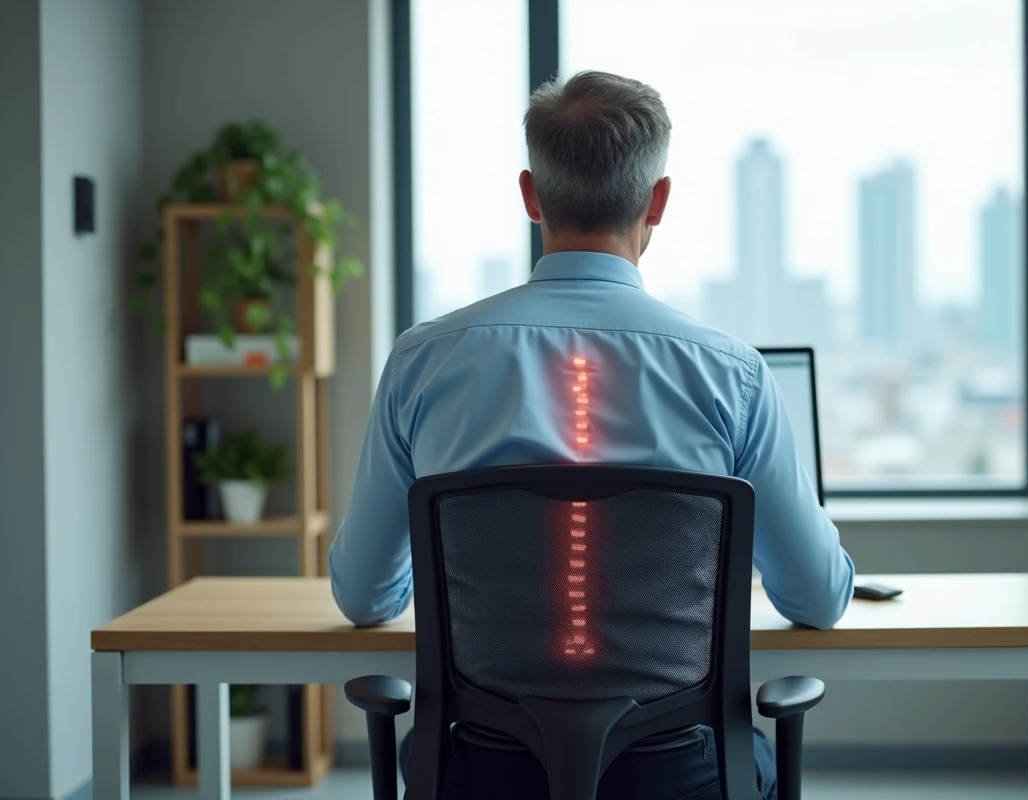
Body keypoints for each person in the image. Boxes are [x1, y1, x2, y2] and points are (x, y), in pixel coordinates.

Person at [329, 70, 855, 800]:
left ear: (530, 195)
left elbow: (363, 596)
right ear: (658, 201)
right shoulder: (731, 375)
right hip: (684, 780)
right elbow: (818, 599)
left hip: (481, 778)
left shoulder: (426, 362)